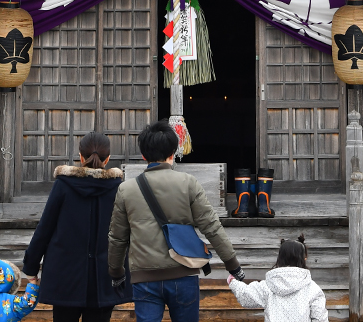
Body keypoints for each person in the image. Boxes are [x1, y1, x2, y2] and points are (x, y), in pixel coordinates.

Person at [107, 119, 245, 322]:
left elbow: (117, 238)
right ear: (172, 153)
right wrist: (232, 265)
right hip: (183, 274)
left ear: (144, 155)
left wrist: (116, 272)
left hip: (144, 278)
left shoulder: (126, 189)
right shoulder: (188, 183)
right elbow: (211, 227)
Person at [22, 132, 131, 322]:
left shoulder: (63, 185)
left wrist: (31, 267)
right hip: (104, 277)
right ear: (108, 159)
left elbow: (45, 228)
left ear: (81, 157)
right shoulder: (118, 189)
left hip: (64, 276)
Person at [227, 235, 328, 322]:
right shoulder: (313, 289)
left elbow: (246, 296)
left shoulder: (269, 285)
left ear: (280, 258)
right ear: (303, 258)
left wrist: (233, 282)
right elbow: (320, 319)